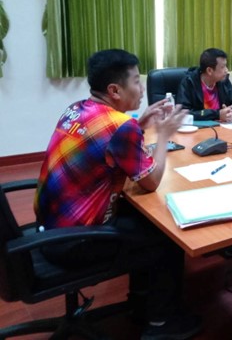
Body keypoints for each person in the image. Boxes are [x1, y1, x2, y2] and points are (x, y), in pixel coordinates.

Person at [35, 49, 201, 340]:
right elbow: (151, 182)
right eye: (136, 81)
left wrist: (140, 124)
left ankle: (141, 302)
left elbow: (107, 143)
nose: (142, 88)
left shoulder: (78, 108)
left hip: (47, 227)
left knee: (144, 220)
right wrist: (163, 136)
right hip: (74, 241)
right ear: (114, 90)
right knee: (168, 234)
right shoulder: (120, 126)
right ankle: (161, 323)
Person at [176, 48, 232, 123]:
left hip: (222, 127)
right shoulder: (189, 82)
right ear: (209, 70)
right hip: (201, 128)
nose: (226, 70)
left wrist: (231, 114)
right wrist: (217, 114)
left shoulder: (223, 81)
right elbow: (183, 114)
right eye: (223, 67)